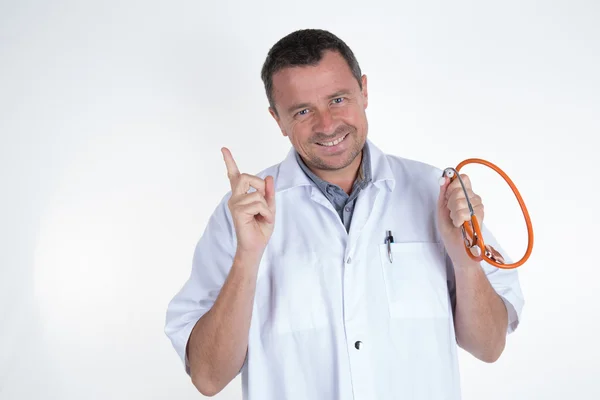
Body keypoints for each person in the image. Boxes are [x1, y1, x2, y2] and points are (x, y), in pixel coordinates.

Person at [164, 28, 524, 399]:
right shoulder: (240, 216)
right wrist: (247, 258)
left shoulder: (437, 193)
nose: (326, 124)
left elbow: (489, 347)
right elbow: (208, 378)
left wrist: (465, 263)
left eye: (338, 99)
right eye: (302, 111)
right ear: (277, 119)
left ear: (364, 91)